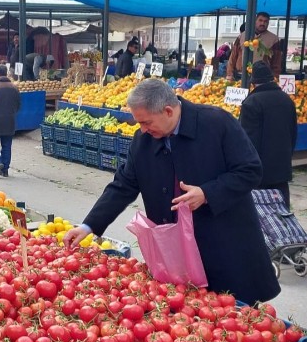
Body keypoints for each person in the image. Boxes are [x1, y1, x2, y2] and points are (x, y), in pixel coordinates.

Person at [63, 78, 280, 306]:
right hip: (175, 251)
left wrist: (207, 193)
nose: (143, 129)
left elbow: (251, 170)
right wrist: (88, 226)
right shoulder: (143, 140)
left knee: (234, 314)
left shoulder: (217, 123)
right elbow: (123, 185)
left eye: (146, 122)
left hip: (223, 245)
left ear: (168, 111)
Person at [239, 61, 297, 207]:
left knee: (262, 218)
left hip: (260, 175)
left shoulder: (251, 102)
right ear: (272, 79)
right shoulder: (287, 100)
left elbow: (248, 142)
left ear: (253, 83)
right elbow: (293, 134)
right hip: (282, 170)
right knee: (283, 214)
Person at [227, 12, 282, 80]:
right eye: (260, 20)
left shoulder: (273, 39)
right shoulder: (243, 36)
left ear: (268, 23)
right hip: (240, 76)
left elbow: (277, 61)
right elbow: (233, 57)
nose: (262, 23)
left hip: (262, 78)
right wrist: (229, 74)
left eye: (265, 21)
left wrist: (275, 77)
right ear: (255, 21)